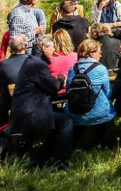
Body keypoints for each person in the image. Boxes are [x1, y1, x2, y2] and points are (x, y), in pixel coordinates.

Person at [9, 35, 74, 169]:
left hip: (26, 109)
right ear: (44, 48)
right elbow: (53, 86)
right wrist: (61, 79)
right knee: (66, 121)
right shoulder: (38, 65)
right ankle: (60, 161)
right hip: (31, 112)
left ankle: (41, 158)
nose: (54, 50)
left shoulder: (32, 61)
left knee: (58, 120)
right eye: (52, 47)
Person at [65, 39, 115, 149]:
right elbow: (108, 92)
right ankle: (101, 143)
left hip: (75, 110)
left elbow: (68, 89)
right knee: (105, 108)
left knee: (79, 121)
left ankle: (74, 144)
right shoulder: (101, 69)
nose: (100, 55)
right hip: (99, 112)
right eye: (99, 52)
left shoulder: (72, 69)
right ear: (91, 53)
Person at [0, 34, 30, 127]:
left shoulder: (3, 65)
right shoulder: (34, 61)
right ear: (26, 46)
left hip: (11, 101)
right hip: (32, 99)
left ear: (10, 48)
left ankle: (3, 128)